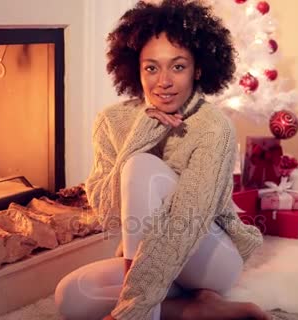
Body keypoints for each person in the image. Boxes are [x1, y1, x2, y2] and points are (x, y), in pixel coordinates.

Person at [55, 1, 267, 319]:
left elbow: (188, 220)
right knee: (70, 297)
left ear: (198, 69)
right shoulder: (112, 120)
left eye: (177, 67)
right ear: (135, 69)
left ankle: (150, 311)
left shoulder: (214, 127)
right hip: (147, 256)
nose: (162, 81)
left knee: (141, 168)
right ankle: (201, 309)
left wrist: (134, 307)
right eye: (151, 67)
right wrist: (145, 128)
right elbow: (108, 212)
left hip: (209, 256)